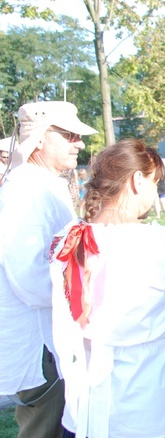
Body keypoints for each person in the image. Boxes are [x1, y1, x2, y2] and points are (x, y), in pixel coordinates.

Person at [48, 138, 165, 437]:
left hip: (87, 407)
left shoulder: (67, 240)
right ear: (137, 181)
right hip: (156, 405)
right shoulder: (160, 243)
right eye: (154, 183)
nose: (155, 193)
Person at [0, 101, 97, 438]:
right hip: (42, 343)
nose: (79, 143)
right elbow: (29, 277)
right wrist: (85, 297)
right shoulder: (25, 190)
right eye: (69, 134)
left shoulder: (41, 184)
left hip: (52, 337)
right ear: (39, 139)